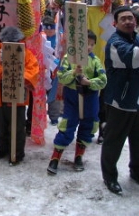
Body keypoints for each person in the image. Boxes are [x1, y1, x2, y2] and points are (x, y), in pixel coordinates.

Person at [101, 6, 139, 195]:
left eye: (131, 18)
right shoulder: (114, 43)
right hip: (120, 101)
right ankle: (110, 176)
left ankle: (137, 171)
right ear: (115, 23)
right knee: (114, 141)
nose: (128, 21)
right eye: (124, 19)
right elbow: (135, 58)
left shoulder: (138, 38)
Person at [47, 30, 106, 175]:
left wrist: (89, 82)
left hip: (90, 98)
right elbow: (61, 76)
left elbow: (103, 80)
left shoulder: (95, 61)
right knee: (67, 124)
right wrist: (73, 73)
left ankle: (79, 155)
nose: (89, 47)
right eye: (86, 43)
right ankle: (56, 156)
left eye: (92, 44)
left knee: (89, 124)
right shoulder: (68, 59)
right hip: (72, 97)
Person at [0, 26, 40, 165]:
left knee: (18, 126)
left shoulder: (26, 53)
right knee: (0, 125)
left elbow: (32, 70)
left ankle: (17, 153)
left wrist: (16, 74)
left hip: (18, 95)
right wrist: (12, 71)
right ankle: (2, 148)